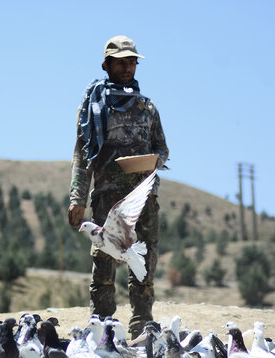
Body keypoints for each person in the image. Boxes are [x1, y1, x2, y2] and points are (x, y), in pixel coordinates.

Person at [68, 35, 169, 339]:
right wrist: (77, 198)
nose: (128, 68)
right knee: (104, 264)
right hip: (106, 197)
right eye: (122, 62)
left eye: (132, 62)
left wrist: (152, 162)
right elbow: (82, 155)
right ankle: (101, 327)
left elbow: (163, 150)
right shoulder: (92, 108)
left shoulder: (147, 108)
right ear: (106, 65)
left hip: (144, 196)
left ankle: (141, 327)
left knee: (144, 261)